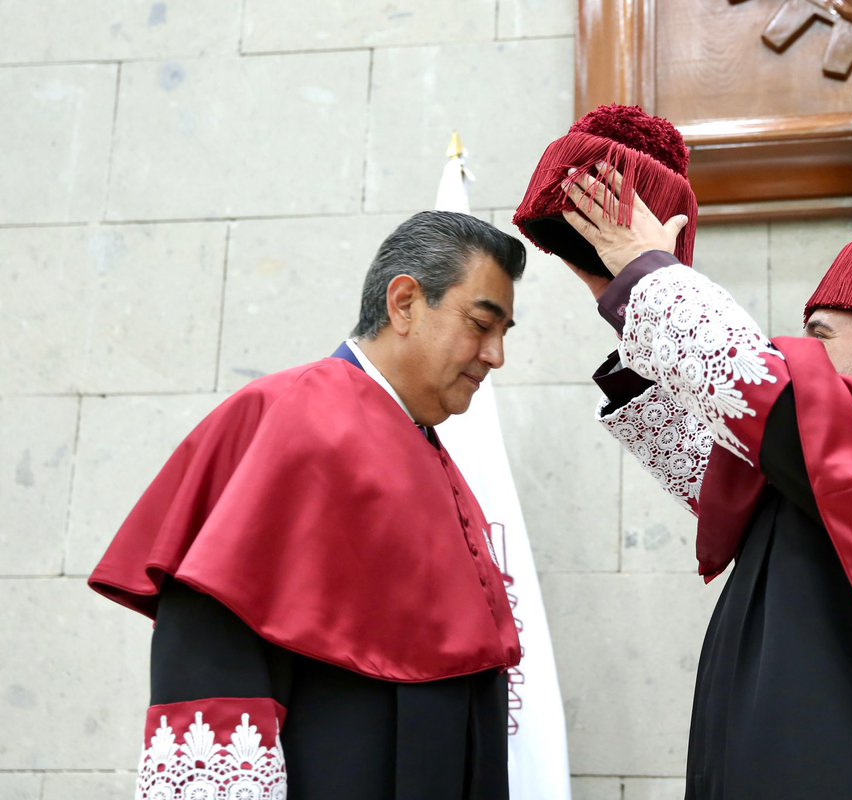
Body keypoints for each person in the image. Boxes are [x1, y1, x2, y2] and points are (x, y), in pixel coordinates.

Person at [514, 106, 852, 799]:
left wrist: (649, 276)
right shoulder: (839, 466)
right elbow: (721, 462)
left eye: (821, 336)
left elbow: (760, 389)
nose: (800, 356)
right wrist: (621, 294)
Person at [89, 211, 527, 800]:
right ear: (404, 303)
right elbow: (216, 658)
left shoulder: (422, 442)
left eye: (505, 333)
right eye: (481, 324)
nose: (496, 355)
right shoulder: (285, 418)